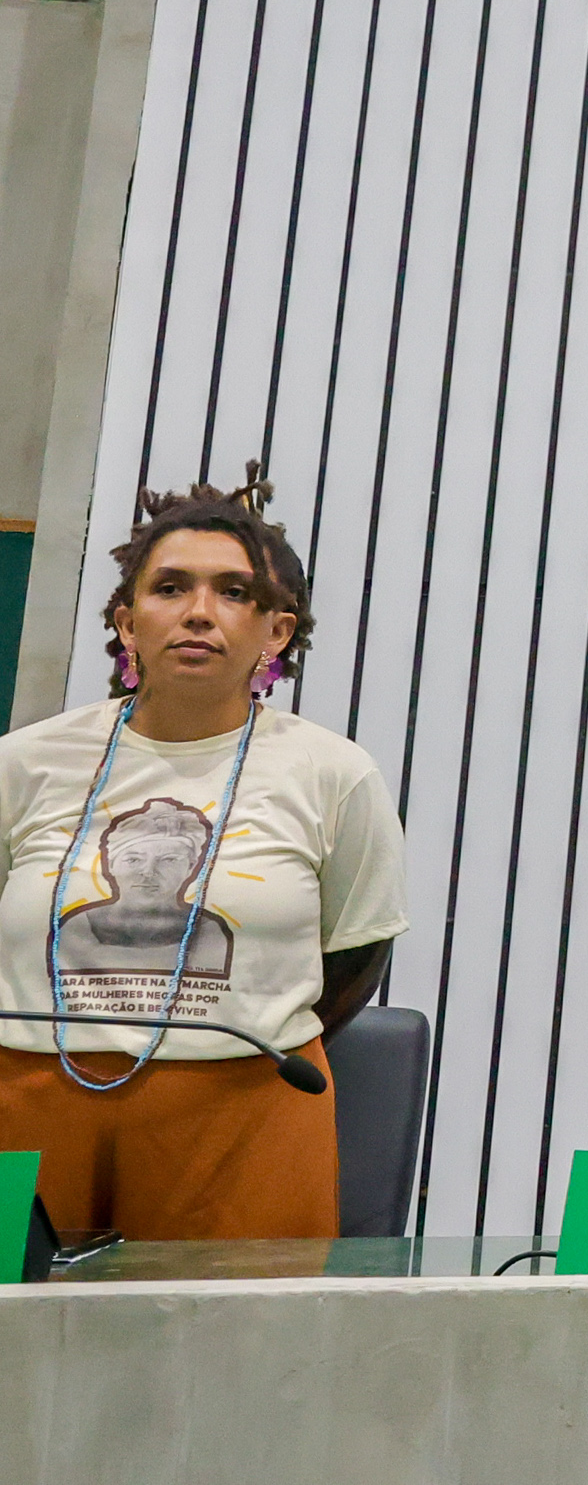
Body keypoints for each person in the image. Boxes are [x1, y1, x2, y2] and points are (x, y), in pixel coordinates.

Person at [0, 472, 408, 1240]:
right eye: (170, 587)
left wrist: (220, 1031)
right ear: (127, 621)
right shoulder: (22, 763)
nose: (198, 612)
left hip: (244, 1118)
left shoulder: (334, 773)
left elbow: (356, 953)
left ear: (276, 633)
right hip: (26, 1103)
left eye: (233, 592)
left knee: (234, 1353)